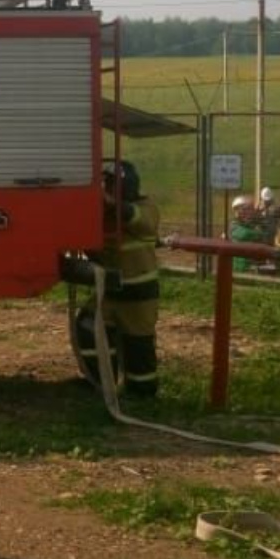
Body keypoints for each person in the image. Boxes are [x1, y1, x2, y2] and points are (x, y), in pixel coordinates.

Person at [86, 160, 161, 398]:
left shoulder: (145, 206)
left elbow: (139, 220)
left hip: (138, 292)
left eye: (110, 183)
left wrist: (112, 204)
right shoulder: (103, 214)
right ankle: (97, 382)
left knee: (137, 343)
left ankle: (143, 390)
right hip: (109, 290)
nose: (106, 187)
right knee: (88, 326)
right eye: (105, 183)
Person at [228, 195, 266, 272]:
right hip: (239, 265)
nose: (248, 212)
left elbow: (265, 235)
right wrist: (258, 232)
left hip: (251, 265)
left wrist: (259, 219)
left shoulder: (251, 225)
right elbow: (245, 234)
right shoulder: (234, 225)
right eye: (245, 210)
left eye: (250, 210)